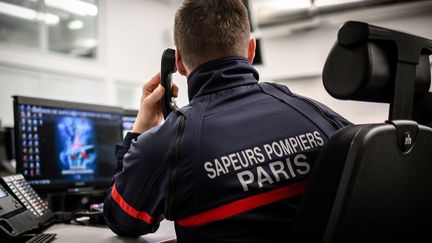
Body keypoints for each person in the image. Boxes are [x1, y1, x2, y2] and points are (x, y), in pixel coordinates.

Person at [103, 0, 351, 242]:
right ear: (251, 50)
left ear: (177, 62)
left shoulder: (167, 142)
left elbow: (122, 218)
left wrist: (140, 131)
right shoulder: (318, 115)